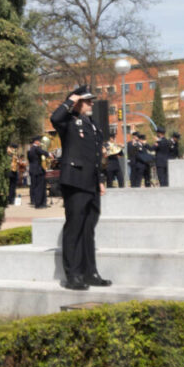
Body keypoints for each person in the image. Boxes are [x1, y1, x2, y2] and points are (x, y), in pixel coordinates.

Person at [50, 86, 110, 290]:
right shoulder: (68, 121)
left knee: (88, 229)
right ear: (77, 102)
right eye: (87, 100)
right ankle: (73, 275)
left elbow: (95, 155)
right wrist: (70, 101)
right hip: (75, 180)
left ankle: (90, 272)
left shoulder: (91, 124)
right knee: (74, 228)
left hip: (91, 182)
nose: (92, 103)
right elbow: (55, 118)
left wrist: (100, 179)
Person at [27, 137, 48, 207]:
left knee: (34, 186)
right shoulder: (36, 148)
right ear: (35, 142)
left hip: (32, 169)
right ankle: (39, 203)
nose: (39, 142)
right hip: (38, 170)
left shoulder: (30, 149)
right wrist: (49, 154)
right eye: (39, 141)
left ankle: (34, 200)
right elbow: (43, 152)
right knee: (39, 186)